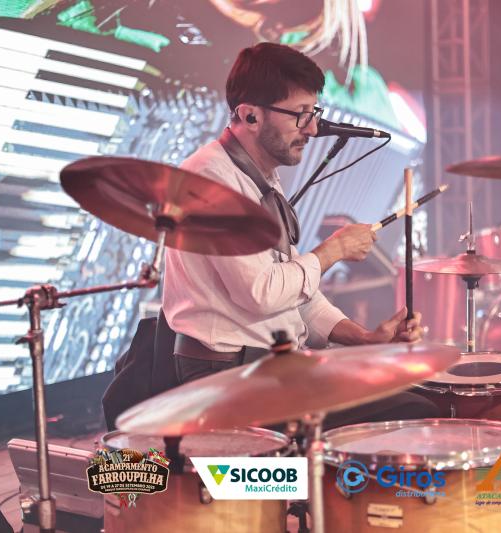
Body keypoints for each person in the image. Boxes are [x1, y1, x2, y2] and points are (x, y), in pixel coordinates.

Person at [162, 42, 438, 428]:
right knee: (411, 410)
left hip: (265, 367)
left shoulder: (260, 178)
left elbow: (295, 293)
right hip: (224, 377)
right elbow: (262, 293)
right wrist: (332, 251)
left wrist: (364, 339)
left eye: (313, 113)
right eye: (300, 115)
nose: (311, 129)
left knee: (415, 399)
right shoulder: (212, 180)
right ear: (250, 115)